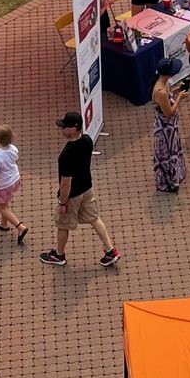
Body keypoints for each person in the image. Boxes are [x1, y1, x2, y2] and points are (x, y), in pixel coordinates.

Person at [41, 110, 120, 268]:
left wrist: (62, 203)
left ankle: (59, 255)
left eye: (64, 127)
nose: (62, 129)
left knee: (63, 225)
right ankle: (110, 250)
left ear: (73, 129)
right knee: (94, 218)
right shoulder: (87, 140)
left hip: (73, 195)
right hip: (87, 188)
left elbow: (66, 184)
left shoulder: (66, 155)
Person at [0, 124, 27, 244]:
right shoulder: (13, 148)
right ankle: (3, 224)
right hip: (15, 179)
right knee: (5, 203)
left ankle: (20, 227)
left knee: (1, 206)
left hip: (4, 185)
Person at [150, 68, 186, 193]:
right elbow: (169, 113)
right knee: (166, 155)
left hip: (171, 129)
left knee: (173, 151)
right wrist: (179, 99)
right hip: (165, 131)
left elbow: (168, 97)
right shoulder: (160, 91)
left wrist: (178, 90)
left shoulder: (165, 84)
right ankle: (168, 181)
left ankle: (175, 175)